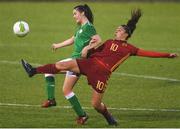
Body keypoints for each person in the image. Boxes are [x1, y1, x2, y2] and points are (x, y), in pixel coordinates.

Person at [21, 9, 178, 125]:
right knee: (62, 65)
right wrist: (87, 49)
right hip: (90, 64)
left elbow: (148, 53)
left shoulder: (130, 49)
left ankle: (108, 117)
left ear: (126, 33)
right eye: (116, 29)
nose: (116, 30)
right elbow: (93, 52)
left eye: (119, 29)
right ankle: (33, 70)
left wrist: (167, 55)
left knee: (96, 104)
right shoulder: (109, 42)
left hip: (102, 73)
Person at [42, 4, 101, 124]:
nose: (74, 16)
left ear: (83, 12)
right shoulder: (80, 27)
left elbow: (99, 40)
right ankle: (82, 115)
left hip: (77, 62)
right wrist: (58, 45)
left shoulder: (88, 27)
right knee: (66, 90)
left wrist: (87, 48)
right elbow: (72, 39)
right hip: (74, 61)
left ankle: (51, 99)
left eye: (75, 13)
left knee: (49, 70)